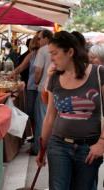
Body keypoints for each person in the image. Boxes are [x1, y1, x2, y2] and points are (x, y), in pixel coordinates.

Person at [37, 31, 104, 190]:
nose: (51, 58)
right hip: (59, 145)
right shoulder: (54, 77)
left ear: (70, 52)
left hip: (89, 149)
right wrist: (42, 148)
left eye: (54, 53)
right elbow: (49, 117)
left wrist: (102, 143)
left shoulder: (98, 73)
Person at [32, 29, 53, 155]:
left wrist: (36, 81)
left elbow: (38, 71)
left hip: (44, 89)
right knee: (50, 118)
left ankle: (38, 148)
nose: (38, 41)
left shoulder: (43, 50)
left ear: (46, 38)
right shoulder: (59, 49)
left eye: (39, 38)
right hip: (55, 90)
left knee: (41, 119)